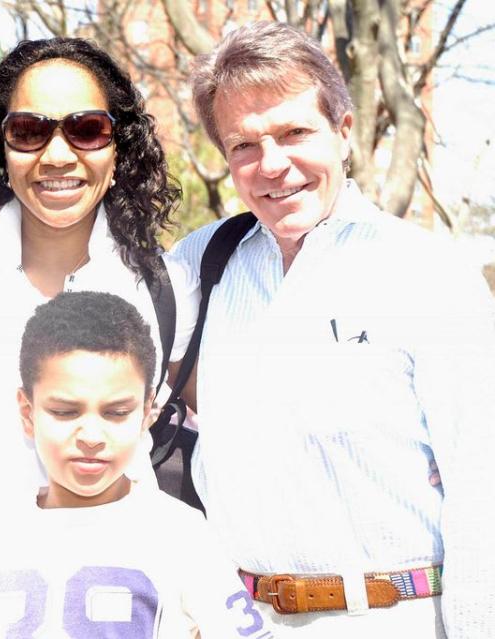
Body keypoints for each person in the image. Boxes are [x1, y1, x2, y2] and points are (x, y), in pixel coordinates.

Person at [168, 21, 495, 636]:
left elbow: (485, 489)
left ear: (344, 132)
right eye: (243, 145)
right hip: (241, 620)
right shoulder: (196, 266)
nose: (272, 165)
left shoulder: (428, 274)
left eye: (295, 132)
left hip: (398, 617)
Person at [0, 37, 199, 497]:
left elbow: (237, 428)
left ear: (119, 148)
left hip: (117, 561)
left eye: (88, 128)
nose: (56, 156)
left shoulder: (168, 287)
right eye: (30, 130)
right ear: (2, 148)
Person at [0, 291, 275, 638]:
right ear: (28, 413)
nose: (91, 436)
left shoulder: (181, 535)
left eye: (116, 413)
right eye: (65, 412)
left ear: (146, 415)